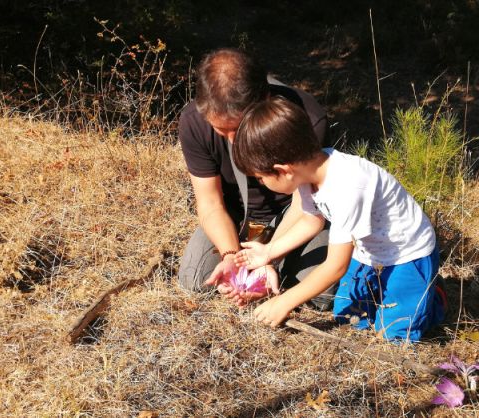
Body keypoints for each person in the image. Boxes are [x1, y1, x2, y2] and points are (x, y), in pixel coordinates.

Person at [230, 97, 446, 342]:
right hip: (370, 252)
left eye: (260, 178)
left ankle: (432, 297)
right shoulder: (308, 173)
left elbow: (336, 266)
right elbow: (312, 221)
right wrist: (269, 252)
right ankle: (405, 294)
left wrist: (284, 302)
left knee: (394, 335)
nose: (261, 184)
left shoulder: (347, 186)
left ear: (283, 170)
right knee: (350, 318)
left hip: (407, 254)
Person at [177, 48, 336, 309]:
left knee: (320, 295)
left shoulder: (305, 118)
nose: (232, 139)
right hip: (238, 216)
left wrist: (267, 258)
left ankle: (281, 271)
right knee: (194, 279)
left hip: (296, 215)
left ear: (265, 98)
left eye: (238, 127)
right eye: (221, 129)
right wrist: (231, 256)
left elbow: (304, 204)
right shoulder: (194, 122)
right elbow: (210, 202)